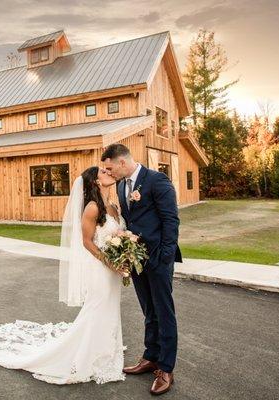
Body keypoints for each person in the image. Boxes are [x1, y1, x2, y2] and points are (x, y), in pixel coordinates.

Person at [0, 166, 130, 384]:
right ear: (95, 181)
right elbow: (86, 242)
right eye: (103, 172)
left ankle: (105, 350)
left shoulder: (112, 206)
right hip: (101, 270)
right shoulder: (92, 208)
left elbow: (118, 236)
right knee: (97, 308)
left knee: (110, 308)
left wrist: (125, 254)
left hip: (113, 270)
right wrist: (110, 263)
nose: (109, 172)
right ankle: (85, 357)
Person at [102, 143, 181, 395]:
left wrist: (165, 257)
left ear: (122, 162)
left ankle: (166, 369)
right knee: (149, 310)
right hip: (136, 260)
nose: (108, 172)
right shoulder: (121, 184)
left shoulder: (157, 181)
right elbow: (131, 220)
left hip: (158, 258)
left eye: (110, 167)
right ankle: (151, 357)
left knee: (164, 312)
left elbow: (171, 220)